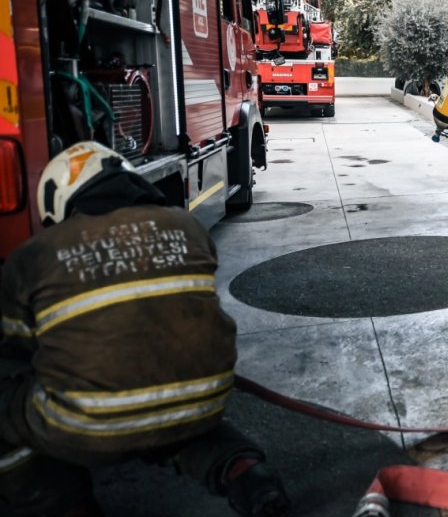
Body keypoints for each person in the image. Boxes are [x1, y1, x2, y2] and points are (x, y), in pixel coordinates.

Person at [0, 142, 289, 517]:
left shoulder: (33, 255)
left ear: (60, 198)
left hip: (85, 428)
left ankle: (60, 504)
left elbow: (18, 350)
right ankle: (249, 474)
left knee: (10, 411)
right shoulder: (187, 225)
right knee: (176, 417)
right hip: (204, 398)